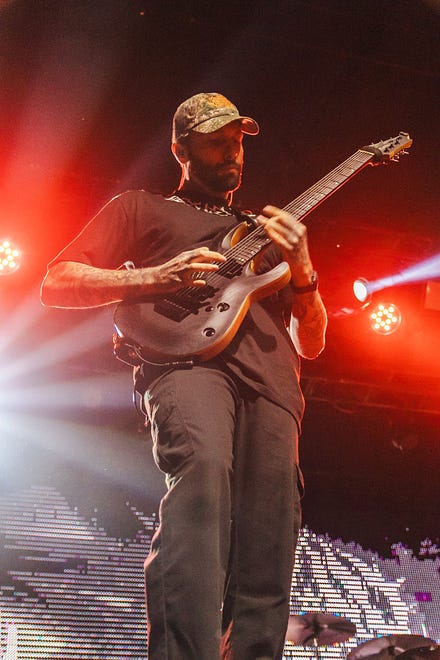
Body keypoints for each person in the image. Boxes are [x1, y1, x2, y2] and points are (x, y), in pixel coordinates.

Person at [41, 92, 327, 660]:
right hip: (186, 365)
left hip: (274, 385)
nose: (232, 152)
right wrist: (155, 277)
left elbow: (312, 342)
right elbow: (57, 282)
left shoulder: (265, 233)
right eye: (216, 142)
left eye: (237, 141)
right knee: (202, 482)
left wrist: (303, 271)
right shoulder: (140, 207)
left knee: (272, 534)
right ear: (181, 150)